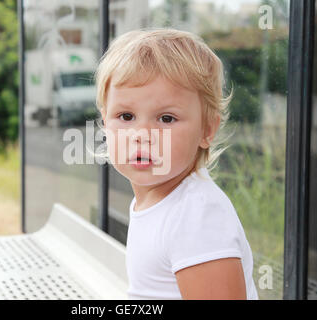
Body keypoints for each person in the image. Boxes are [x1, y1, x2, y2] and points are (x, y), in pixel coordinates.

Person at [93, 28, 259, 300]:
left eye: (166, 119)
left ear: (207, 129)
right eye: (126, 116)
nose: (142, 135)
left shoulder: (196, 215)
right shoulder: (156, 201)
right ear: (105, 121)